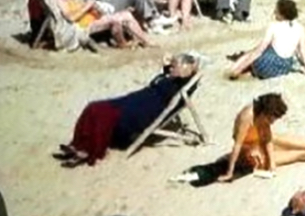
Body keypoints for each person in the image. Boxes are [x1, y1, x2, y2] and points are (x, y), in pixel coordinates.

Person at [57, 54, 199, 166]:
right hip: (135, 100)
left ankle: (88, 150)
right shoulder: (170, 79)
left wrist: (182, 72)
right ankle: (78, 144)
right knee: (93, 107)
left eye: (174, 66)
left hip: (141, 110)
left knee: (99, 111)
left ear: (183, 70)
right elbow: (155, 83)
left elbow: (174, 87)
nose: (171, 67)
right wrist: (165, 71)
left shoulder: (178, 85)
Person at [218, 93, 305, 181]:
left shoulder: (262, 116)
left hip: (259, 141)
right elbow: (237, 144)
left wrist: (271, 162)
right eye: (272, 119)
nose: (272, 122)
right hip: (250, 154)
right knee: (302, 154)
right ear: (265, 113)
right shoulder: (247, 117)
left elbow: (267, 139)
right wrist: (230, 172)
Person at [52, 0, 152, 50]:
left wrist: (92, 6)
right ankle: (123, 44)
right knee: (115, 20)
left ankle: (145, 41)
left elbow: (83, 6)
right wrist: (87, 6)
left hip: (93, 18)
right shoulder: (60, 0)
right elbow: (71, 17)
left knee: (126, 14)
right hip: (85, 25)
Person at [228, 0, 305, 80]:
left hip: (268, 65)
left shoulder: (274, 27)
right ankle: (247, 71)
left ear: (282, 14)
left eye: (276, 11)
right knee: (263, 51)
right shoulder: (300, 28)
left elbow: (258, 51)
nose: (274, 12)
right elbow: (303, 51)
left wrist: (240, 69)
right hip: (285, 67)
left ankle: (235, 70)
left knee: (251, 52)